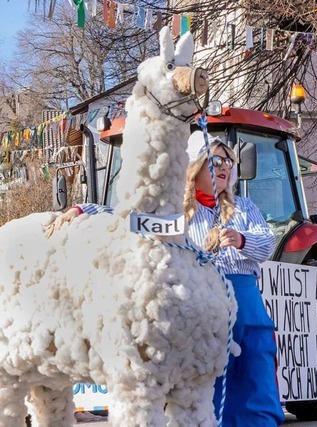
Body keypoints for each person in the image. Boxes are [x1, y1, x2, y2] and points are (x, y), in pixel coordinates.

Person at [47, 131, 285, 426]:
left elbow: (267, 243)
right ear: (195, 166)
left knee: (254, 364)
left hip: (243, 299)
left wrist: (239, 239)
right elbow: (127, 217)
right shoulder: (175, 213)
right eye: (216, 159)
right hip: (199, 302)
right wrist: (83, 209)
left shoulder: (244, 208)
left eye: (228, 161)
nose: (224, 166)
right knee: (200, 376)